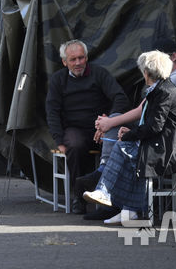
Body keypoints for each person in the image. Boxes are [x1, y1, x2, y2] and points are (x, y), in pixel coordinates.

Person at [79, 37, 176, 219]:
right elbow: (151, 120)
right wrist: (127, 132)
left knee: (124, 146)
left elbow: (153, 124)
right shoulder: (161, 88)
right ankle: (127, 207)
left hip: (171, 145)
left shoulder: (169, 87)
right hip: (164, 139)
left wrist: (129, 135)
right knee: (124, 142)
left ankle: (107, 189)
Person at [45, 39, 129, 214]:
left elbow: (120, 98)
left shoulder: (99, 74)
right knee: (74, 146)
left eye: (81, 58)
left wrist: (107, 121)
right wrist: (59, 141)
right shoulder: (58, 80)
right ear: (64, 62)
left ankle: (114, 199)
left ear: (86, 58)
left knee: (122, 143)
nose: (78, 63)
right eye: (73, 59)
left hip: (101, 127)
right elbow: (52, 112)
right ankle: (79, 197)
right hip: (74, 129)